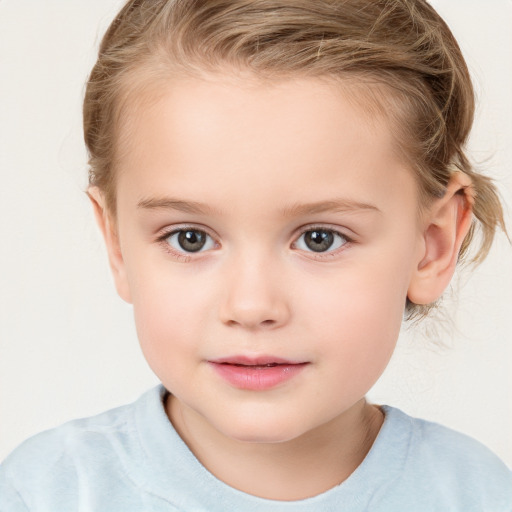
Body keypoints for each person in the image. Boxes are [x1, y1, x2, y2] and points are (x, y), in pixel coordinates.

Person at [1, 0, 511, 510]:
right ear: (117, 244)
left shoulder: (478, 495)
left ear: (432, 245)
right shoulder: (44, 493)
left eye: (320, 238)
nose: (251, 306)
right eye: (190, 238)